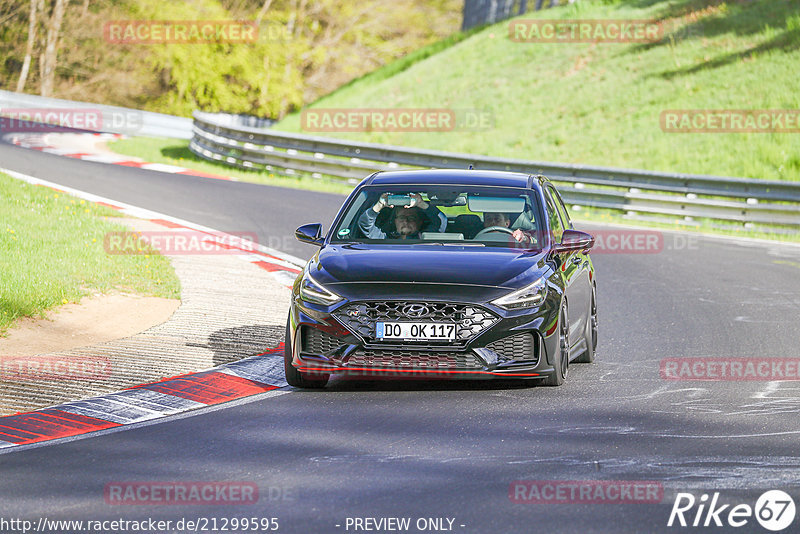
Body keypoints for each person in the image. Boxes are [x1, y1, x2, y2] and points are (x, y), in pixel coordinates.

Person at [358, 193, 446, 239]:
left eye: (411, 218)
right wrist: (380, 205)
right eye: (401, 217)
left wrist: (421, 204)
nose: (406, 221)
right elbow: (365, 224)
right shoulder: (384, 239)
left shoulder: (426, 239)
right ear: (395, 221)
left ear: (420, 222)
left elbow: (441, 221)